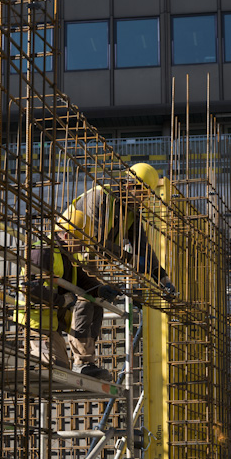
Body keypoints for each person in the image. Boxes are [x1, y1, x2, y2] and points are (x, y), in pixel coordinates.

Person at [67, 163, 175, 380]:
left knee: (97, 304)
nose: (143, 199)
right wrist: (130, 259)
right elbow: (94, 241)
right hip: (68, 249)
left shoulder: (131, 210)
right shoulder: (100, 198)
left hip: (88, 256)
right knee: (87, 298)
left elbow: (143, 247)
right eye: (141, 193)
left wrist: (162, 277)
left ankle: (87, 361)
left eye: (146, 195)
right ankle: (80, 362)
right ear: (129, 185)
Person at [15, 208, 117, 379]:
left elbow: (82, 280)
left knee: (94, 301)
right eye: (81, 241)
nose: (84, 246)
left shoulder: (66, 255)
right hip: (36, 325)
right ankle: (20, 350)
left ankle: (84, 361)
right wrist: (61, 300)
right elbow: (29, 287)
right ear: (67, 236)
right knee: (56, 371)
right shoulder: (43, 252)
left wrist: (100, 289)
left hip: (53, 325)